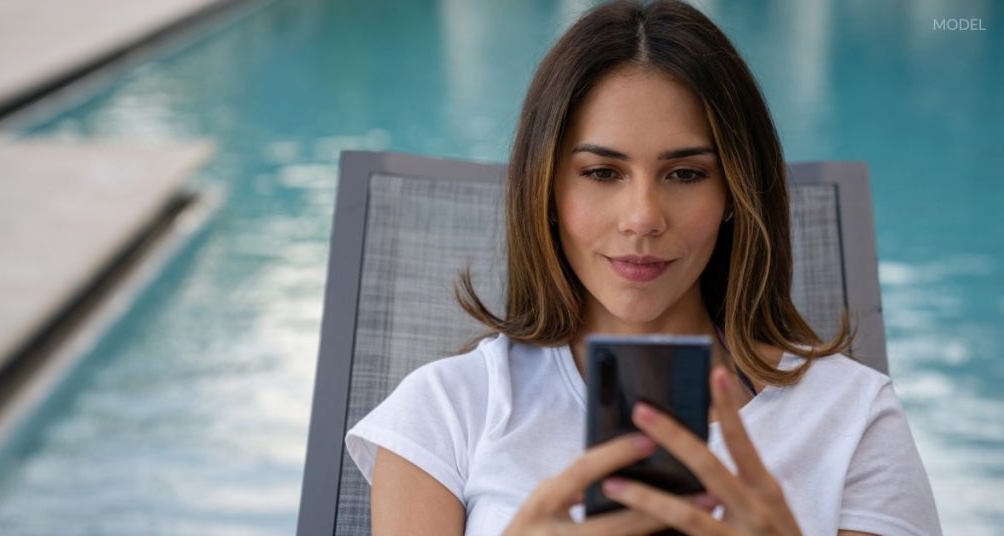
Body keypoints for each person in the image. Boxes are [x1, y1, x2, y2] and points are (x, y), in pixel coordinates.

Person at [344, 1, 941, 534]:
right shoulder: (446, 410)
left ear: (734, 192)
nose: (643, 218)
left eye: (685, 174)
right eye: (602, 173)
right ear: (545, 190)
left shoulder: (851, 416)